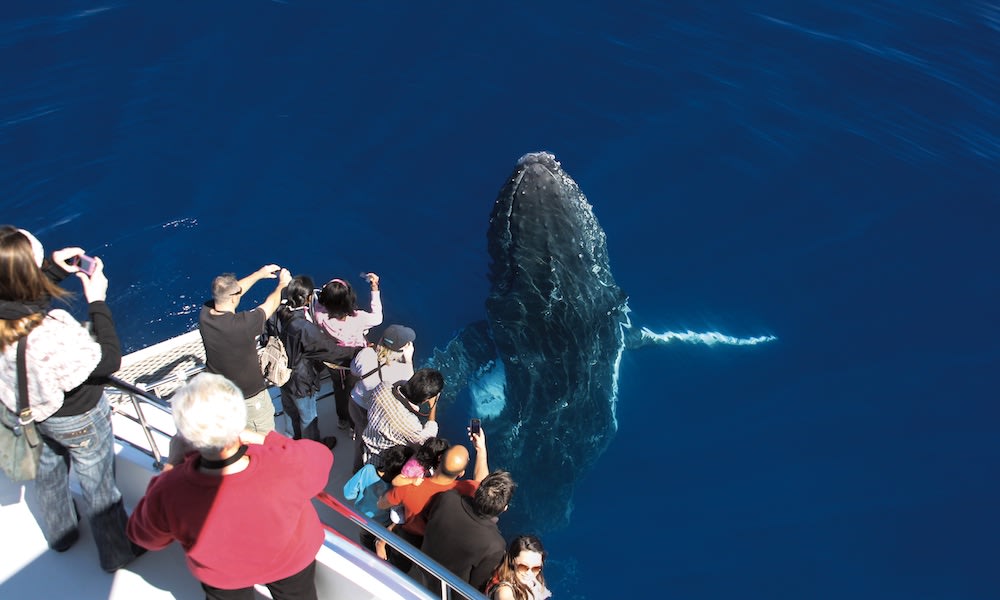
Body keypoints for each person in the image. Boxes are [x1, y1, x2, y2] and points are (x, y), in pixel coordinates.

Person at [0, 226, 142, 572]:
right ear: (26, 275)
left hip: (28, 414)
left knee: (48, 474)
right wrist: (97, 302)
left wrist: (53, 269)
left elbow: (18, 306)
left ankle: (61, 535)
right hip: (78, 418)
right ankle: (116, 553)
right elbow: (107, 361)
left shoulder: (12, 319)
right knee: (98, 485)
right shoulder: (52, 330)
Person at [127, 373, 331, 600]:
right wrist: (261, 438)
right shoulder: (284, 464)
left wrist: (172, 464)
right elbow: (321, 458)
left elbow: (144, 535)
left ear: (186, 436)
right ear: (239, 420)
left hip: (223, 575)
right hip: (290, 560)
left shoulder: (170, 490)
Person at [264, 275, 354, 447]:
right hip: (301, 382)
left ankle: (292, 441)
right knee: (308, 418)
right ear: (308, 298)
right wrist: (355, 352)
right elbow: (330, 351)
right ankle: (311, 447)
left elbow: (265, 337)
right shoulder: (304, 327)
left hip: (282, 376)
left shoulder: (276, 313)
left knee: (289, 412)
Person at [199, 264, 290, 433]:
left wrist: (259, 274)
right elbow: (270, 305)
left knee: (234, 432)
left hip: (221, 394)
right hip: (249, 397)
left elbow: (231, 291)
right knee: (264, 436)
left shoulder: (205, 314)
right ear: (234, 298)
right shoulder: (242, 324)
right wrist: (282, 284)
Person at [421, 470, 517, 592]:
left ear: (478, 490)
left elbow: (428, 518)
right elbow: (477, 584)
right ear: (504, 508)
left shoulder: (447, 498)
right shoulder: (495, 545)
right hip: (446, 590)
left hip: (422, 563)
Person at [314, 273, 382, 431]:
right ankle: (347, 421)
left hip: (332, 359)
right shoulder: (359, 318)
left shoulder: (320, 316)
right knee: (348, 391)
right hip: (350, 361)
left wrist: (327, 291)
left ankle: (343, 419)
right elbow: (378, 318)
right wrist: (374, 287)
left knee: (338, 386)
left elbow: (319, 299)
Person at [348, 323, 415, 472]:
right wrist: (409, 360)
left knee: (359, 429)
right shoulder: (404, 372)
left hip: (355, 402)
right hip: (374, 413)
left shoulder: (366, 353)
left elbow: (353, 371)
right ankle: (359, 469)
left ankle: (355, 432)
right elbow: (409, 391)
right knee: (364, 440)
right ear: (402, 350)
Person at [361, 367, 443, 469]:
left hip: (366, 442)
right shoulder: (411, 425)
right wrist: (433, 405)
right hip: (381, 461)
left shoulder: (382, 387)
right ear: (426, 399)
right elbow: (428, 437)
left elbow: (399, 386)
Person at [342, 443, 413, 557]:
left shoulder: (368, 470)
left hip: (363, 519)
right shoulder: (398, 488)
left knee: (366, 539)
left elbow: (348, 494)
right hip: (384, 524)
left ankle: (369, 554)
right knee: (385, 548)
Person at [486, 535, 552, 600]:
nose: (529, 573)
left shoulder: (536, 585)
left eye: (535, 568)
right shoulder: (505, 591)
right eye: (523, 567)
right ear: (512, 561)